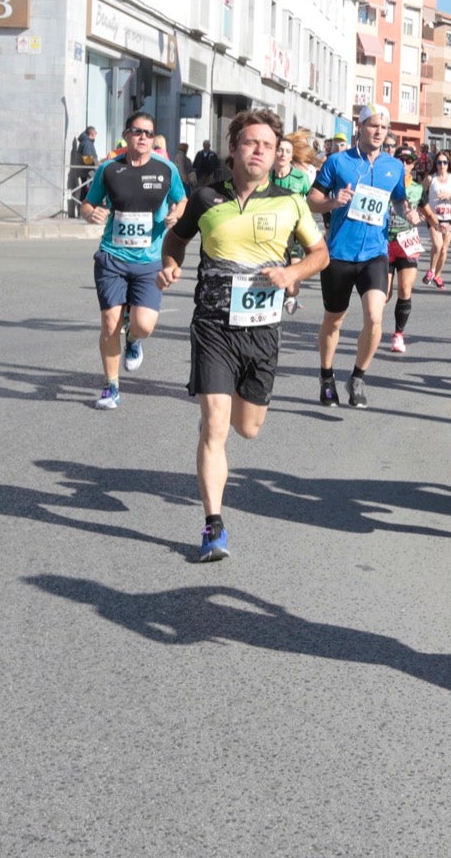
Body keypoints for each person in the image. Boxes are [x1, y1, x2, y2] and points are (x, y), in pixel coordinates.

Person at [160, 109, 329, 562]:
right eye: (251, 142)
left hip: (261, 332)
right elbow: (176, 239)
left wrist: (293, 270)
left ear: (277, 156)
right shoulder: (206, 198)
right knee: (216, 426)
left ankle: (219, 418)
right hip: (213, 326)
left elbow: (320, 254)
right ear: (233, 148)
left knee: (247, 429)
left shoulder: (290, 202)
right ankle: (213, 526)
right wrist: (170, 264)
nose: (259, 150)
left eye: (267, 145)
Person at [79, 111, 188, 410]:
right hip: (112, 256)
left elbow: (182, 198)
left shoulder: (166, 169)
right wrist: (92, 213)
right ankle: (111, 386)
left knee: (144, 325)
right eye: (137, 132)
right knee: (110, 323)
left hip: (149, 260)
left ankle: (135, 340)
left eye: (149, 133)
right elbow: (88, 203)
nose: (143, 137)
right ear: (126, 135)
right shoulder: (109, 169)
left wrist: (176, 213)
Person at [308, 105, 408, 408]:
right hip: (339, 253)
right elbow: (312, 200)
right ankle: (327, 376)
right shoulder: (337, 162)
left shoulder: (395, 166)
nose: (379, 132)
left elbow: (400, 200)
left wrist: (410, 213)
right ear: (360, 127)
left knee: (375, 317)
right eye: (373, 126)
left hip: (374, 254)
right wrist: (332, 201)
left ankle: (358, 376)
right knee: (334, 320)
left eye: (383, 127)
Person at [385, 147, 426, 354]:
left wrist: (437, 225)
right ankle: (372, 326)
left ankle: (398, 334)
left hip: (407, 242)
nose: (404, 164)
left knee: (405, 289)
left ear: (413, 165)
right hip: (384, 241)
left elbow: (426, 211)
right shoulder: (384, 181)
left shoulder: (418, 189)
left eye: (409, 160)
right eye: (400, 159)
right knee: (384, 293)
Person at [271, 133, 318, 315]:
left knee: (293, 287)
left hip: (295, 234)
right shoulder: (266, 177)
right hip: (272, 232)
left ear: (292, 156)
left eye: (287, 151)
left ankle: (290, 294)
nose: (283, 154)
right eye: (280, 150)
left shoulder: (301, 178)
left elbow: (311, 201)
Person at [420, 153, 451, 289]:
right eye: (439, 163)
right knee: (437, 245)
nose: (442, 165)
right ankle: (431, 270)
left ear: (448, 163)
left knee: (444, 249)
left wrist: (450, 196)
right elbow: (419, 194)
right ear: (435, 164)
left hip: (450, 217)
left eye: (444, 162)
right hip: (434, 217)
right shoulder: (430, 178)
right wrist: (421, 211)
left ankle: (438, 275)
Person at [70, 126, 100, 218]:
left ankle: (83, 212)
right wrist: (97, 165)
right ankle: (84, 213)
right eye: (95, 134)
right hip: (88, 172)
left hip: (86, 172)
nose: (96, 136)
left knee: (85, 191)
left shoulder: (85, 142)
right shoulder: (87, 143)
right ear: (92, 134)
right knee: (87, 192)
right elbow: (87, 159)